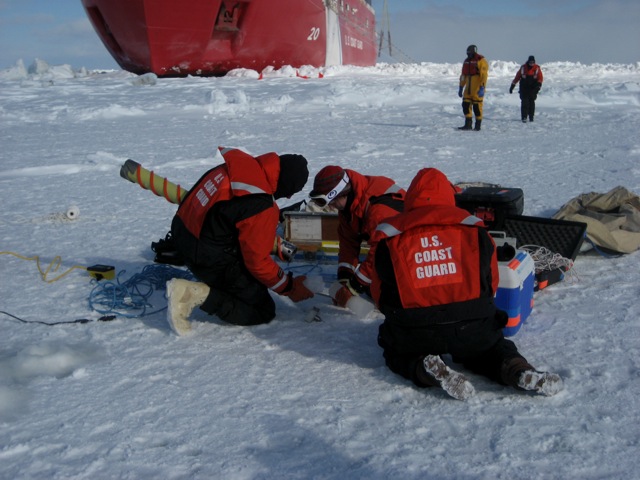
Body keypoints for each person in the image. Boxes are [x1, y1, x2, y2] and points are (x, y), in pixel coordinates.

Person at [369, 167, 563, 400]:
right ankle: (517, 370)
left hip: (415, 328)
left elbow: (380, 293)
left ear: (410, 197)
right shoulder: (474, 228)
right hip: (471, 324)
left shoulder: (389, 234)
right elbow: (491, 284)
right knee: (490, 350)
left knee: (396, 351)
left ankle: (425, 368)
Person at [166, 146, 314, 335]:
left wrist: (278, 246)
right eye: (291, 191)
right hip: (204, 254)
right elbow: (257, 262)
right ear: (287, 184)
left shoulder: (236, 168)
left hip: (183, 234)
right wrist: (289, 287)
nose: (289, 197)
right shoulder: (261, 204)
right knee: (261, 309)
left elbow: (238, 221)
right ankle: (190, 295)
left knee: (252, 279)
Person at [308, 166, 405, 307]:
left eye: (333, 202)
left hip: (409, 254)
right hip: (391, 252)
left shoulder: (378, 209)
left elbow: (380, 253)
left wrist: (355, 286)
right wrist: (344, 277)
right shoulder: (350, 205)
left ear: (343, 193)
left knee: (384, 295)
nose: (333, 207)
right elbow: (348, 242)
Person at [458, 44, 489, 131]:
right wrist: (461, 86)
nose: (468, 55)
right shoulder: (466, 61)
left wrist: (482, 87)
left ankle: (477, 125)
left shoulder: (481, 61)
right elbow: (463, 75)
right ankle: (468, 124)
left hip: (477, 88)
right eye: (467, 53)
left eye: (470, 53)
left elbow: (484, 75)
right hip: (468, 88)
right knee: (465, 105)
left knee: (477, 107)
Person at [510, 55, 544, 122]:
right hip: (524, 88)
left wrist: (538, 85)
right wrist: (512, 86)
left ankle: (531, 117)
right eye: (530, 62)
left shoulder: (537, 68)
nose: (531, 64)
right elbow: (517, 77)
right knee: (524, 103)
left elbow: (540, 78)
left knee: (531, 103)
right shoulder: (523, 68)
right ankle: (524, 117)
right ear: (528, 62)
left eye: (533, 62)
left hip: (533, 88)